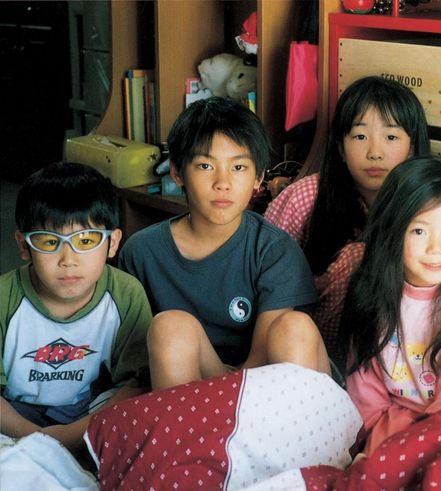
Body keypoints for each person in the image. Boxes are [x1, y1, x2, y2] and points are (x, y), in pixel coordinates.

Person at [118, 97, 329, 390]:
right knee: (171, 328)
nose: (223, 182)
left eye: (239, 168)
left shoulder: (274, 250)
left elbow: (264, 359)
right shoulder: (141, 252)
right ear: (178, 172)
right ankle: (189, 435)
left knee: (295, 328)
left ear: (258, 177)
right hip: (186, 392)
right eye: (205, 165)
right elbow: (134, 359)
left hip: (266, 391)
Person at [340, 154, 441, 456]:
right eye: (419, 231)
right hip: (394, 424)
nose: (436, 248)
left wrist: (419, 445)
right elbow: (364, 388)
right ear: (393, 230)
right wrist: (380, 441)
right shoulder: (370, 284)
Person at [264, 76, 431, 354]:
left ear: (412, 147)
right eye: (360, 136)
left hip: (395, 358)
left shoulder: (430, 204)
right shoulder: (306, 196)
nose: (375, 153)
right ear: (341, 147)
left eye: (391, 137)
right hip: (299, 345)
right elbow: (263, 272)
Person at [0, 161, 151, 453]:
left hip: (91, 414)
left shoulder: (126, 294)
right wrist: (37, 438)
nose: (68, 259)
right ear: (23, 245)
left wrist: (70, 435)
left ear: (113, 243)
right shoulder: (5, 297)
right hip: (15, 416)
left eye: (86, 240)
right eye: (48, 241)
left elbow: (136, 384)